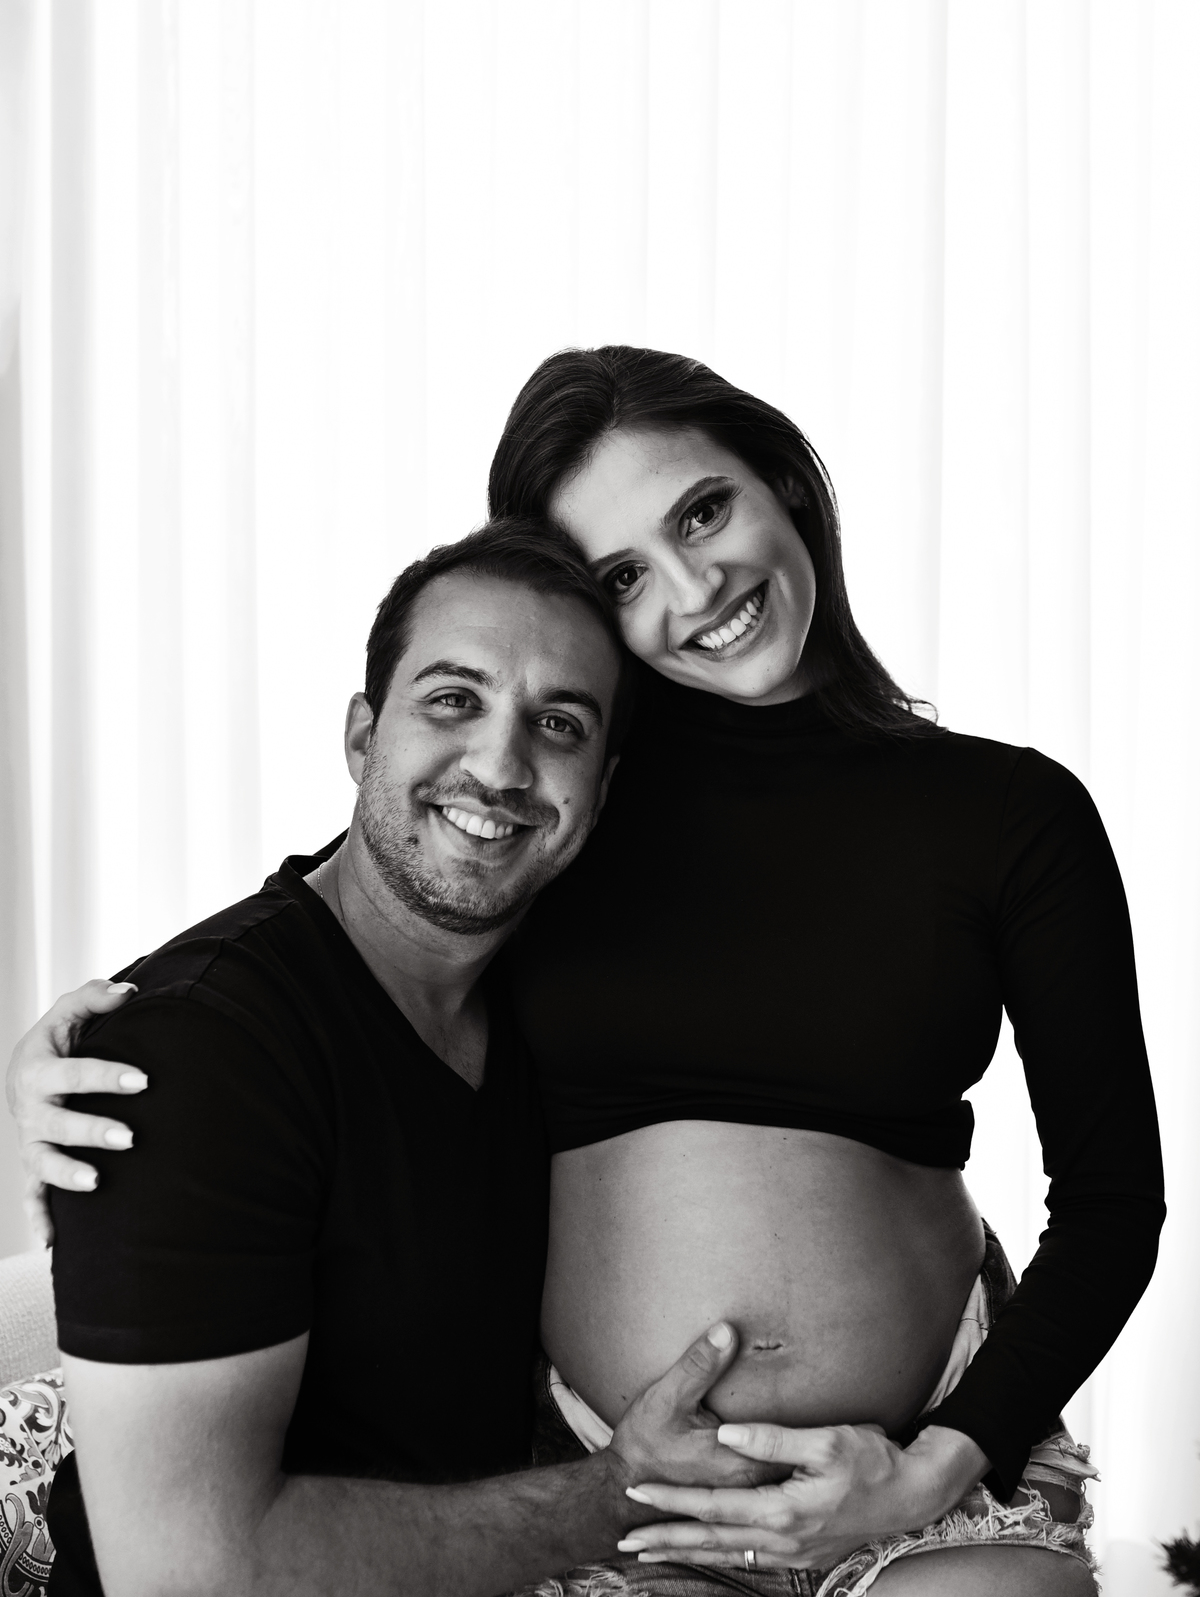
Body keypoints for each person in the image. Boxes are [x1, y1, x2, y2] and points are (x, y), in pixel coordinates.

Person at [12, 348, 1164, 1595]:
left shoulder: (1013, 814)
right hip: (607, 1476)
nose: (695, 585)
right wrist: (106, 1032)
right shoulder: (562, 801)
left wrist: (939, 1462)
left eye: (704, 512)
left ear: (784, 482)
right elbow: (362, 896)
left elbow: (1113, 1200)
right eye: (623, 575)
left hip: (919, 1460)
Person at [11, 521, 772, 1597]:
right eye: (453, 699)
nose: (500, 766)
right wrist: (612, 1495)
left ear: (601, 790)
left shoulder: (553, 994)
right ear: (364, 736)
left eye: (558, 723)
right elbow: (187, 1574)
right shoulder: (188, 1057)